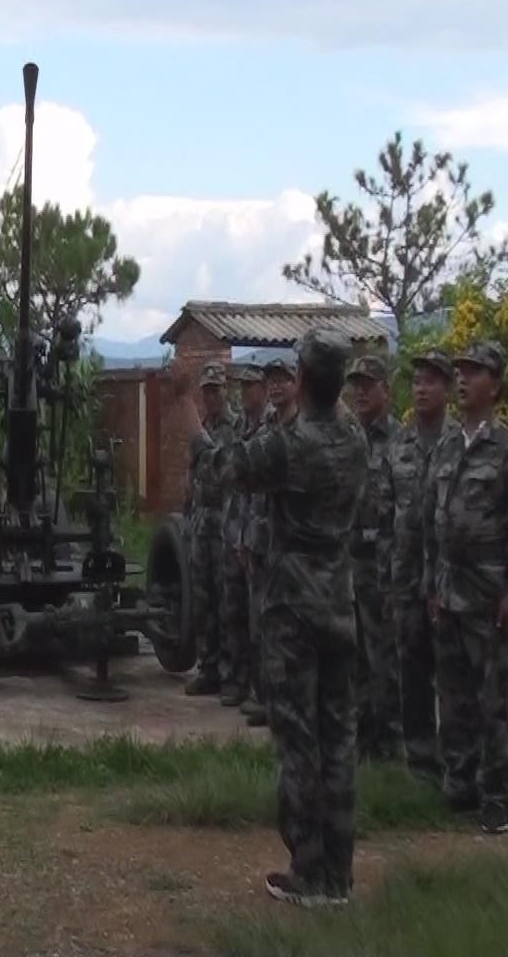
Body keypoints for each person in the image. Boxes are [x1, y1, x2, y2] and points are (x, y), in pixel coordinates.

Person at [180, 327, 368, 907]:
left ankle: (309, 871)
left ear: (303, 379)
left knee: (299, 742)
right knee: (339, 739)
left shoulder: (293, 445)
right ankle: (338, 873)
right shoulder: (355, 439)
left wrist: (185, 405)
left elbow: (220, 466)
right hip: (339, 603)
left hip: (292, 610)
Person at [422, 340, 508, 836]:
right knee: (453, 697)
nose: (463, 380)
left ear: (496, 384)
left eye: (475, 372)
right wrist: (431, 582)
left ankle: (495, 795)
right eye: (461, 372)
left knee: (492, 699)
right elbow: (432, 519)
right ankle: (460, 781)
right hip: (448, 591)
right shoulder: (447, 445)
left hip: (488, 594)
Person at [384, 349, 458, 784]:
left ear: (446, 388)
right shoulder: (400, 445)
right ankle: (420, 760)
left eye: (431, 381)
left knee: (452, 677)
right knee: (411, 672)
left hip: (450, 585)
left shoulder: (460, 443)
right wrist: (388, 582)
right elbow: (385, 513)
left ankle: (458, 760)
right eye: (416, 382)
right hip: (407, 580)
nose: (422, 389)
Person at [346, 354, 403, 763]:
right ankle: (362, 738)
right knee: (355, 657)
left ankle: (391, 742)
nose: (360, 392)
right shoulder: (350, 440)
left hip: (383, 566)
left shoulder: (400, 442)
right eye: (356, 386)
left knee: (386, 658)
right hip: (349, 564)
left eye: (368, 385)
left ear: (386, 389)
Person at [241, 355, 299, 729]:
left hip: (293, 551)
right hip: (262, 545)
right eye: (272, 380)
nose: (276, 386)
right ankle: (267, 697)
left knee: (288, 628)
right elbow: (251, 494)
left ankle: (287, 702)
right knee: (261, 624)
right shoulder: (265, 430)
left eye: (283, 379)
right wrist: (246, 539)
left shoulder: (302, 432)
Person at [184, 360, 234, 698]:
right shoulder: (202, 426)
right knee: (202, 600)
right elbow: (191, 470)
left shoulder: (235, 427)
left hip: (225, 522)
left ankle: (230, 675)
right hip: (201, 521)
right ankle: (208, 668)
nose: (211, 397)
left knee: (227, 601)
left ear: (225, 391)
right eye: (207, 391)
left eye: (216, 390)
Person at [220, 365, 267, 707]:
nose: (245, 392)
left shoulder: (269, 431)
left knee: (258, 619)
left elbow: (259, 494)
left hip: (255, 539)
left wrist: (249, 540)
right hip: (232, 533)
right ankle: (235, 680)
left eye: (251, 386)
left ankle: (259, 690)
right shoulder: (239, 428)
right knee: (233, 613)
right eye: (242, 386)